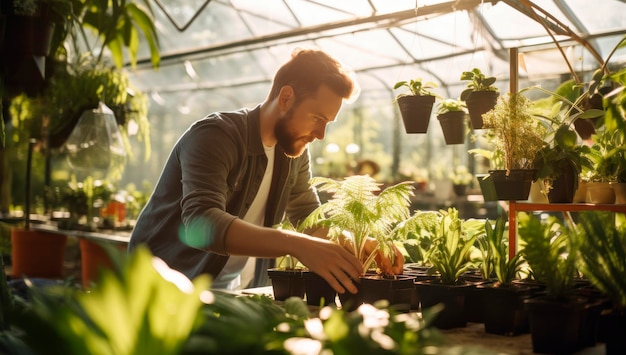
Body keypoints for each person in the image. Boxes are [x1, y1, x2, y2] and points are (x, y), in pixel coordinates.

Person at [128, 48, 403, 294]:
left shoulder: (293, 152)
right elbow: (202, 222)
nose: (320, 134)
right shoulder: (215, 136)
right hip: (160, 288)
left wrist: (358, 242)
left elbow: (308, 218)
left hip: (227, 291)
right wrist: (297, 244)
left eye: (327, 123)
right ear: (286, 97)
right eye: (318, 119)